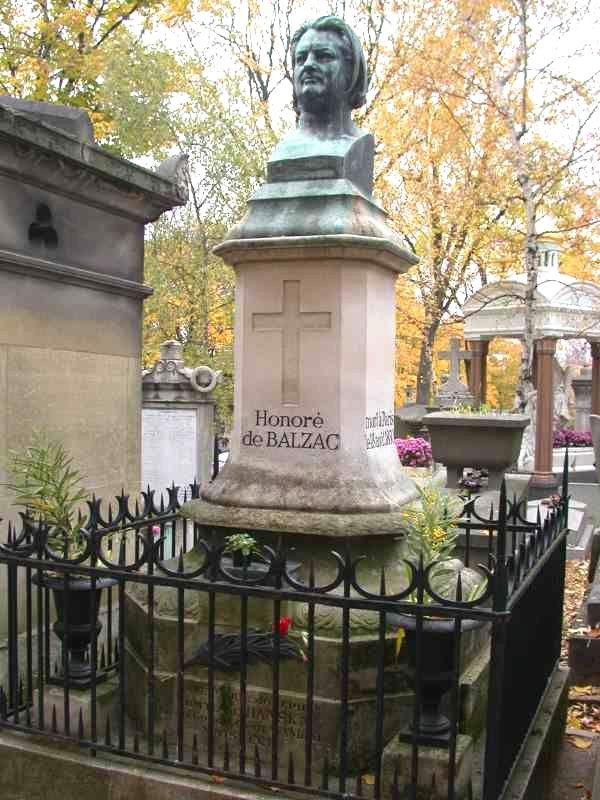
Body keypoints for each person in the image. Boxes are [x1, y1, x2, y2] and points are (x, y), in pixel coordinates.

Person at [290, 15, 368, 140]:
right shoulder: (285, 150)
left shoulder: (360, 144)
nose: (308, 64)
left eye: (324, 56)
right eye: (301, 59)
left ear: (351, 70)